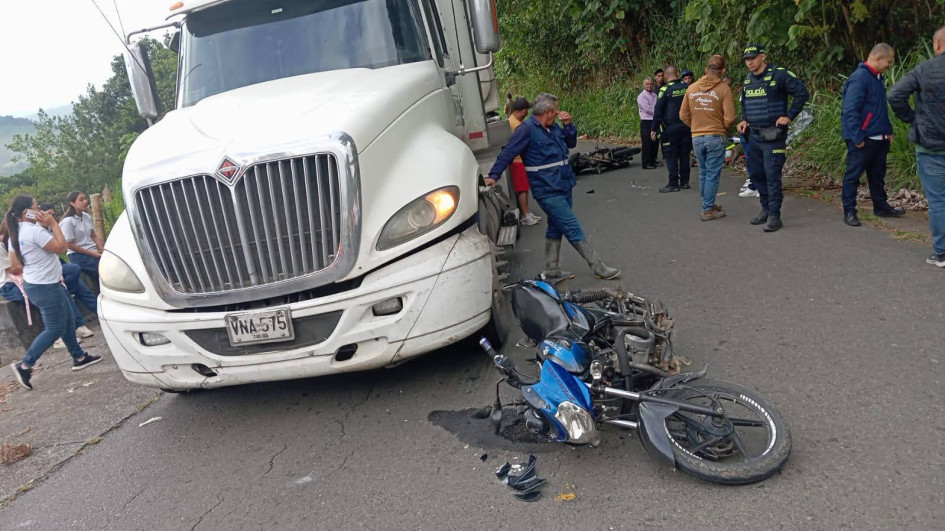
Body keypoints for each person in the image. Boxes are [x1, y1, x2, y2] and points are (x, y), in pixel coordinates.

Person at [485, 92, 620, 280]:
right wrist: (493, 176)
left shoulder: (554, 128)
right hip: (546, 190)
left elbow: (571, 143)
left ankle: (551, 270)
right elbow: (507, 153)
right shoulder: (526, 130)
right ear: (547, 111)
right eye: (555, 111)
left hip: (564, 184)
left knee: (556, 226)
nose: (558, 113)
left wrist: (568, 126)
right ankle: (598, 267)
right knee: (571, 226)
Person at [7, 195, 101, 391]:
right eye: (36, 206)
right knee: (55, 328)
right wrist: (53, 223)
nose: (40, 208)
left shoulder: (17, 232)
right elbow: (62, 247)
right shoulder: (33, 231)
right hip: (46, 286)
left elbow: (16, 263)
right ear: (27, 213)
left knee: (67, 319)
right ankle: (25, 364)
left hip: (41, 283)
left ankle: (79, 356)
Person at [888, 27, 945, 268]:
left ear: (937, 45)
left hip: (930, 148)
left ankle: (942, 253)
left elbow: (894, 95)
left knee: (939, 201)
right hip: (930, 146)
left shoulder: (924, 69)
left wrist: (912, 119)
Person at [736, 43, 809, 232]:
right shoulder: (747, 80)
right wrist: (744, 120)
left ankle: (775, 216)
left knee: (772, 175)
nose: (749, 62)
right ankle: (766, 209)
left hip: (773, 135)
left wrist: (790, 116)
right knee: (757, 175)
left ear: (763, 56)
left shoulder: (779, 74)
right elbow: (745, 103)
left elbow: (802, 93)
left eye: (753, 58)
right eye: (746, 59)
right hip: (753, 135)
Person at [0, 221, 95, 348]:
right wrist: (32, 264)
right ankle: (58, 338)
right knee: (45, 299)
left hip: (27, 277)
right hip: (10, 284)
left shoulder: (21, 238)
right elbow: (13, 269)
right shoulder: (4, 246)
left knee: (62, 290)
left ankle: (77, 328)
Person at [840, 43, 905, 227]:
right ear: (877, 58)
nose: (890, 65)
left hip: (879, 137)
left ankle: (881, 207)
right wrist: (857, 137)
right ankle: (849, 211)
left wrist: (888, 129)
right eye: (889, 61)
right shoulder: (860, 78)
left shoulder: (878, 78)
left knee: (877, 175)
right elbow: (850, 110)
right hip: (863, 139)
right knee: (853, 175)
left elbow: (878, 108)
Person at [680, 55, 737, 221]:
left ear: (706, 69)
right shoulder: (724, 89)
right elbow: (731, 117)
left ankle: (708, 204)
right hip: (715, 136)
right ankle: (707, 209)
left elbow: (683, 114)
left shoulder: (691, 88)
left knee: (703, 172)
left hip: (696, 137)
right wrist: (721, 127)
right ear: (723, 71)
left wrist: (696, 126)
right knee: (712, 174)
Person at [652, 66, 692, 193]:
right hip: (686, 127)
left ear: (665, 76)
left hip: (670, 129)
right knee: (684, 154)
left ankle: (673, 183)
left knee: (671, 156)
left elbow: (658, 111)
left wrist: (653, 128)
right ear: (678, 73)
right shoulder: (686, 87)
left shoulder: (664, 89)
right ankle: (685, 182)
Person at [508, 98, 542, 226]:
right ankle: (525, 215)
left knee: (524, 187)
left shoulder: (512, 120)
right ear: (523, 111)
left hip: (517, 159)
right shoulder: (517, 126)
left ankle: (526, 212)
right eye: (527, 111)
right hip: (517, 160)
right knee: (522, 188)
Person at [60, 191, 104, 285]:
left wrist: (102, 250)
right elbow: (69, 245)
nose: (85, 201)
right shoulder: (68, 221)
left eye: (85, 199)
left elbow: (93, 236)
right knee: (104, 270)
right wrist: (91, 253)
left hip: (93, 251)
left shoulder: (86, 216)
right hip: (78, 254)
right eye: (81, 200)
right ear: (72, 203)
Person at [637, 77, 660, 169]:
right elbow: (647, 109)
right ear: (643, 85)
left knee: (655, 141)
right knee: (647, 142)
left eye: (651, 84)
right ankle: (646, 163)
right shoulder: (641, 96)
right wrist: (658, 113)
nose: (649, 86)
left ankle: (653, 160)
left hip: (655, 120)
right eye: (647, 84)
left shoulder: (655, 95)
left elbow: (658, 106)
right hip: (646, 121)